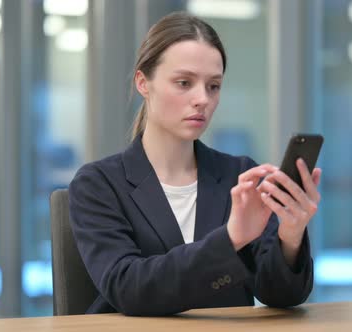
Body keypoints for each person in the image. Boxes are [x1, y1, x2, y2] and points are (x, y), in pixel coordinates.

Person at [68, 11, 322, 316]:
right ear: (142, 83)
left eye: (213, 86)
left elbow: (280, 295)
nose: (202, 98)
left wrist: (290, 236)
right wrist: (232, 238)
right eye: (184, 82)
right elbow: (129, 288)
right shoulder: (98, 184)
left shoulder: (239, 176)